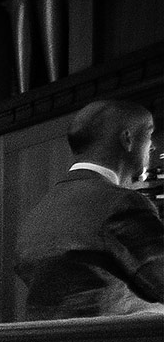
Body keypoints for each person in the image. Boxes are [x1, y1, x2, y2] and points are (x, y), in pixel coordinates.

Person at [15, 99, 164, 317]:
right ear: (128, 139)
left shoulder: (40, 211)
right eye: (149, 134)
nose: (153, 146)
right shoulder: (123, 203)